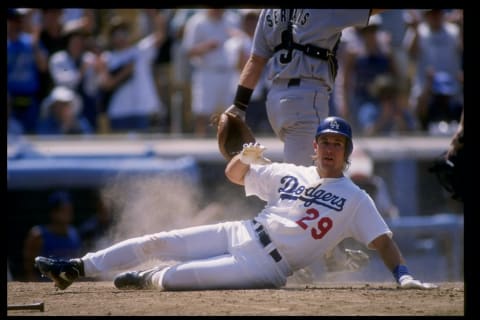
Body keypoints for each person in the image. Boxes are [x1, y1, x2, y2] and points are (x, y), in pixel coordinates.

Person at [34, 116, 436, 291]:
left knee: (178, 278)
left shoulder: (356, 197)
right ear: (314, 147)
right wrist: (243, 157)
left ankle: (147, 279)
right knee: (157, 240)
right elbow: (234, 177)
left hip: (265, 266)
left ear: (347, 152)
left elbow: (383, 240)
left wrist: (402, 274)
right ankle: (77, 267)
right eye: (325, 142)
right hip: (241, 230)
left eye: (338, 144)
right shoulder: (289, 171)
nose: (331, 149)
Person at [223, 8, 387, 277]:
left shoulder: (269, 11)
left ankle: (330, 252)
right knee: (310, 184)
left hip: (275, 102)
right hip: (306, 97)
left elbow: (255, 60)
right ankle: (294, 259)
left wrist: (239, 106)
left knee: (312, 178)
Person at [24, 190, 82, 281]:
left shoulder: (74, 233)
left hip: (69, 286)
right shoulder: (39, 234)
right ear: (53, 213)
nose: (68, 213)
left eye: (70, 209)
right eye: (63, 210)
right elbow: (29, 268)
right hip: (43, 286)